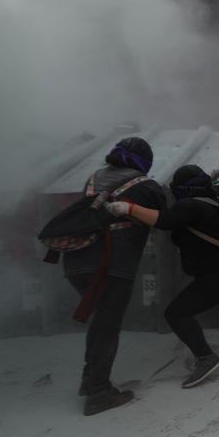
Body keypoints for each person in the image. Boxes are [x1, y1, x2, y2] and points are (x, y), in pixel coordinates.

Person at [105, 165, 219, 389]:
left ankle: (206, 358)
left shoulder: (190, 206)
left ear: (181, 189)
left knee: (176, 313)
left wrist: (128, 207)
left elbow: (164, 221)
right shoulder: (214, 198)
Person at [62, 137, 167, 416]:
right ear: (144, 163)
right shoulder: (146, 186)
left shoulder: (93, 179)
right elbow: (166, 220)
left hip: (75, 262)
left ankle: (90, 381)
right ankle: (98, 393)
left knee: (101, 321)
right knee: (108, 326)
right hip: (112, 266)